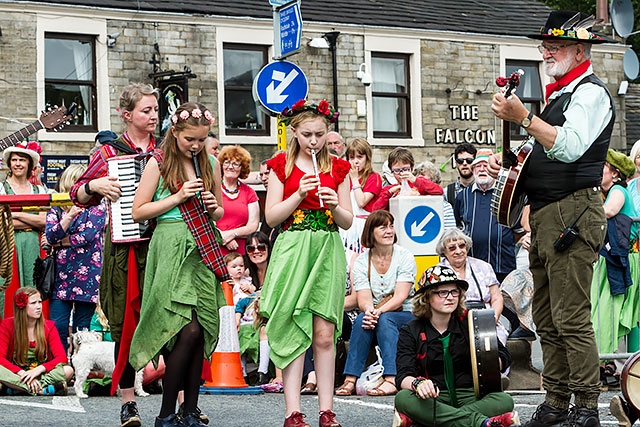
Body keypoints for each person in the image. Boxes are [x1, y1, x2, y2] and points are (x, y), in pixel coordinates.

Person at [490, 10, 613, 427]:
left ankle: (585, 407)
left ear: (580, 51)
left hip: (573, 211)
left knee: (571, 317)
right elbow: (535, 156)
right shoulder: (560, 95)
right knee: (545, 316)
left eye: (554, 46)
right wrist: (505, 167)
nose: (546, 52)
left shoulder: (591, 93)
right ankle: (558, 401)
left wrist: (524, 117)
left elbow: (571, 146)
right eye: (545, 46)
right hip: (544, 215)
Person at [129, 102, 226, 427]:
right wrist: (178, 196)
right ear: (175, 132)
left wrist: (213, 207)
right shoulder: (159, 163)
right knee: (184, 328)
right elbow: (138, 211)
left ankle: (189, 411)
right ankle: (166, 411)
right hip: (170, 248)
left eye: (202, 139)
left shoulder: (210, 162)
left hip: (202, 248)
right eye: (190, 140)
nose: (196, 146)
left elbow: (221, 213)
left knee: (199, 332)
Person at [70, 82, 159, 427]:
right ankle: (128, 401)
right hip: (123, 247)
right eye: (146, 110)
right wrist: (94, 186)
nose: (153, 116)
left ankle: (183, 400)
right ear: (127, 115)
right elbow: (77, 192)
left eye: (155, 110)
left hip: (159, 242)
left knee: (172, 318)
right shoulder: (108, 152)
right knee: (124, 322)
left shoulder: (165, 150)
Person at [260, 99, 352, 427]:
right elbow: (271, 218)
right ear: (294, 132)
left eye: (320, 134)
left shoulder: (339, 168)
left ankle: (327, 410)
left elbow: (347, 221)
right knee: (291, 327)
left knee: (325, 333)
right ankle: (293, 412)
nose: (314, 141)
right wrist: (297, 194)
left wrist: (334, 207)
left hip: (326, 247)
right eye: (308, 134)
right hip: (292, 246)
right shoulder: (279, 166)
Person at [393, 265, 517, 427]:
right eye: (442, 293)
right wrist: (418, 384)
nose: (450, 297)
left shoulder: (474, 321)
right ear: (427, 297)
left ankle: (427, 421)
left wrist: (492, 361)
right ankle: (480, 423)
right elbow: (403, 375)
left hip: (470, 395)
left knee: (504, 400)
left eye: (454, 292)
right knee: (403, 398)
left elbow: (504, 356)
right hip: (433, 397)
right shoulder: (411, 330)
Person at [335, 210, 416, 397]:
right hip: (379, 313)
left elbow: (400, 296)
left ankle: (391, 378)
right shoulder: (363, 261)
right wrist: (370, 312)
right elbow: (363, 299)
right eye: (383, 227)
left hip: (406, 313)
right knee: (362, 318)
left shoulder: (404, 256)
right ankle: (350, 379)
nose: (389, 231)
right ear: (371, 232)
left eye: (391, 226)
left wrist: (377, 313)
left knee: (385, 319)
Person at [45, 164, 106, 356]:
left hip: (88, 274)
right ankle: (61, 368)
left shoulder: (98, 205)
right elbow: (50, 235)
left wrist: (60, 243)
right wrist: (70, 215)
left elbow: (87, 235)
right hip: (61, 275)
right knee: (58, 326)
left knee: (83, 329)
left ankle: (81, 370)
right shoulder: (56, 207)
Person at [591, 149, 638, 357]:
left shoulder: (618, 191)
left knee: (607, 311)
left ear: (615, 174)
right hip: (613, 258)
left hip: (624, 259)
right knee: (600, 310)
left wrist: (581, 215)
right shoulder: (604, 192)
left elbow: (608, 211)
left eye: (602, 167)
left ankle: (598, 360)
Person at [454, 149, 519, 282]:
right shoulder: (463, 196)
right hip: (472, 267)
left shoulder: (507, 194)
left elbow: (519, 229)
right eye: (478, 166)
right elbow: (458, 227)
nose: (482, 170)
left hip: (503, 266)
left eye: (486, 166)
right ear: (473, 170)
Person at [436, 228, 509, 344]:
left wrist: (491, 321)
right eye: (452, 248)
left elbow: (496, 298)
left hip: (484, 319)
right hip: (451, 321)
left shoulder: (483, 266)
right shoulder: (437, 272)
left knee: (494, 344)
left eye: (461, 246)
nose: (458, 251)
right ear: (444, 251)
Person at [1, 141, 47, 317]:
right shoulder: (2, 188)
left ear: (29, 164)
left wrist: (15, 215)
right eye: (14, 160)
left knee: (34, 288)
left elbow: (44, 222)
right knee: (9, 289)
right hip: (8, 246)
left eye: (22, 160)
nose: (18, 164)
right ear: (9, 164)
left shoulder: (39, 190)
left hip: (34, 246)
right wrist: (32, 220)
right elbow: (2, 223)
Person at [0, 287, 74, 395]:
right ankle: (40, 390)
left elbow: (61, 358)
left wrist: (38, 370)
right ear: (22, 306)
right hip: (16, 374)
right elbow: (1, 358)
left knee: (68, 370)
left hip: (41, 374)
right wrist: (21, 373)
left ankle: (17, 388)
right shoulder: (7, 325)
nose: (39, 306)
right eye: (33, 303)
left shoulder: (49, 326)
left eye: (40, 302)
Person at [341, 137, 382, 253]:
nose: (356, 161)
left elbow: (361, 202)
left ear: (367, 158)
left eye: (360, 157)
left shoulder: (373, 177)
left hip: (363, 227)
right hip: (346, 226)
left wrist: (354, 180)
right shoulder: (344, 178)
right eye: (352, 157)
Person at [216, 145, 260, 255]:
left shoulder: (250, 193)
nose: (230, 167)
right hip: (215, 249)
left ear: (242, 168)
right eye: (226, 162)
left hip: (241, 254)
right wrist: (223, 238)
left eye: (235, 164)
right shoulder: (213, 188)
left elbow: (253, 226)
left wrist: (232, 234)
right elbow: (205, 219)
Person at [371, 148, 443, 211]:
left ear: (411, 168)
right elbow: (375, 211)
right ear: (391, 171)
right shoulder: (388, 190)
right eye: (397, 170)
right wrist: (389, 193)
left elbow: (439, 191)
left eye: (405, 169)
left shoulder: (419, 184)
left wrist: (415, 180)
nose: (401, 173)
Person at [414, 160, 457, 230]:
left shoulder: (445, 207)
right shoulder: (409, 204)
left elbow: (450, 234)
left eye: (425, 181)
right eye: (418, 181)